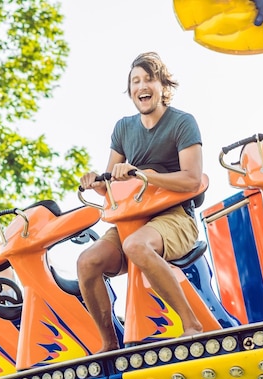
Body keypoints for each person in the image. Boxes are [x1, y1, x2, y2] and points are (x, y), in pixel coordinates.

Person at [77, 52, 204, 352]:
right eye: (135, 81)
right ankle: (110, 344)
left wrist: (145, 175)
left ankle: (191, 325)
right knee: (87, 261)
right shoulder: (123, 128)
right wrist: (97, 182)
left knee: (136, 245)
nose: (142, 86)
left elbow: (192, 180)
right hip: (132, 217)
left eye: (149, 79)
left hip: (175, 218)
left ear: (162, 86)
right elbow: (110, 188)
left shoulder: (182, 123)